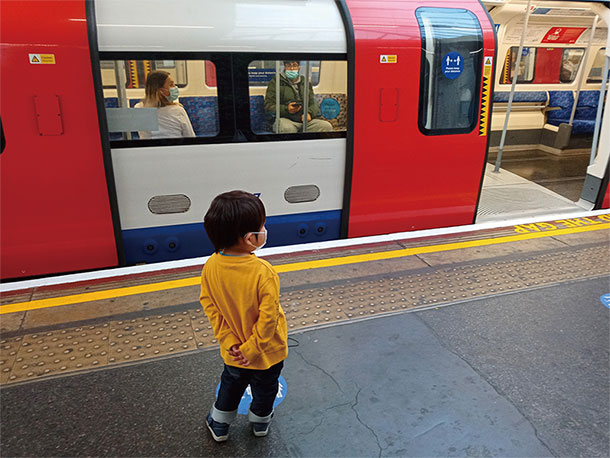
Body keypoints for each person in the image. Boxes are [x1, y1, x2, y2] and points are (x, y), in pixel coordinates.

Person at [200, 190, 288, 442]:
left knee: (231, 385)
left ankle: (219, 425)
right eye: (262, 226)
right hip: (267, 350)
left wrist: (230, 342)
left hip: (234, 351)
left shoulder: (210, 266)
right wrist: (253, 348)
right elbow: (268, 318)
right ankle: (260, 424)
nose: (264, 229)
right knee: (266, 387)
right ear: (251, 238)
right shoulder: (264, 272)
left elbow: (210, 306)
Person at [264, 61, 333, 133]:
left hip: (304, 120)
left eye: (294, 65)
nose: (292, 68)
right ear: (284, 67)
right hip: (286, 119)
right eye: (288, 65)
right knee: (287, 129)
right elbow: (268, 106)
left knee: (326, 126)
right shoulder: (276, 82)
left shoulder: (305, 82)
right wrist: (286, 109)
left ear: (299, 67)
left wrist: (309, 113)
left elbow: (313, 103)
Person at [135, 70, 195, 139]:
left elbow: (144, 136)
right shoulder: (177, 111)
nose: (175, 87)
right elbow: (190, 137)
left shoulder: (138, 108)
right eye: (171, 85)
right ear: (161, 91)